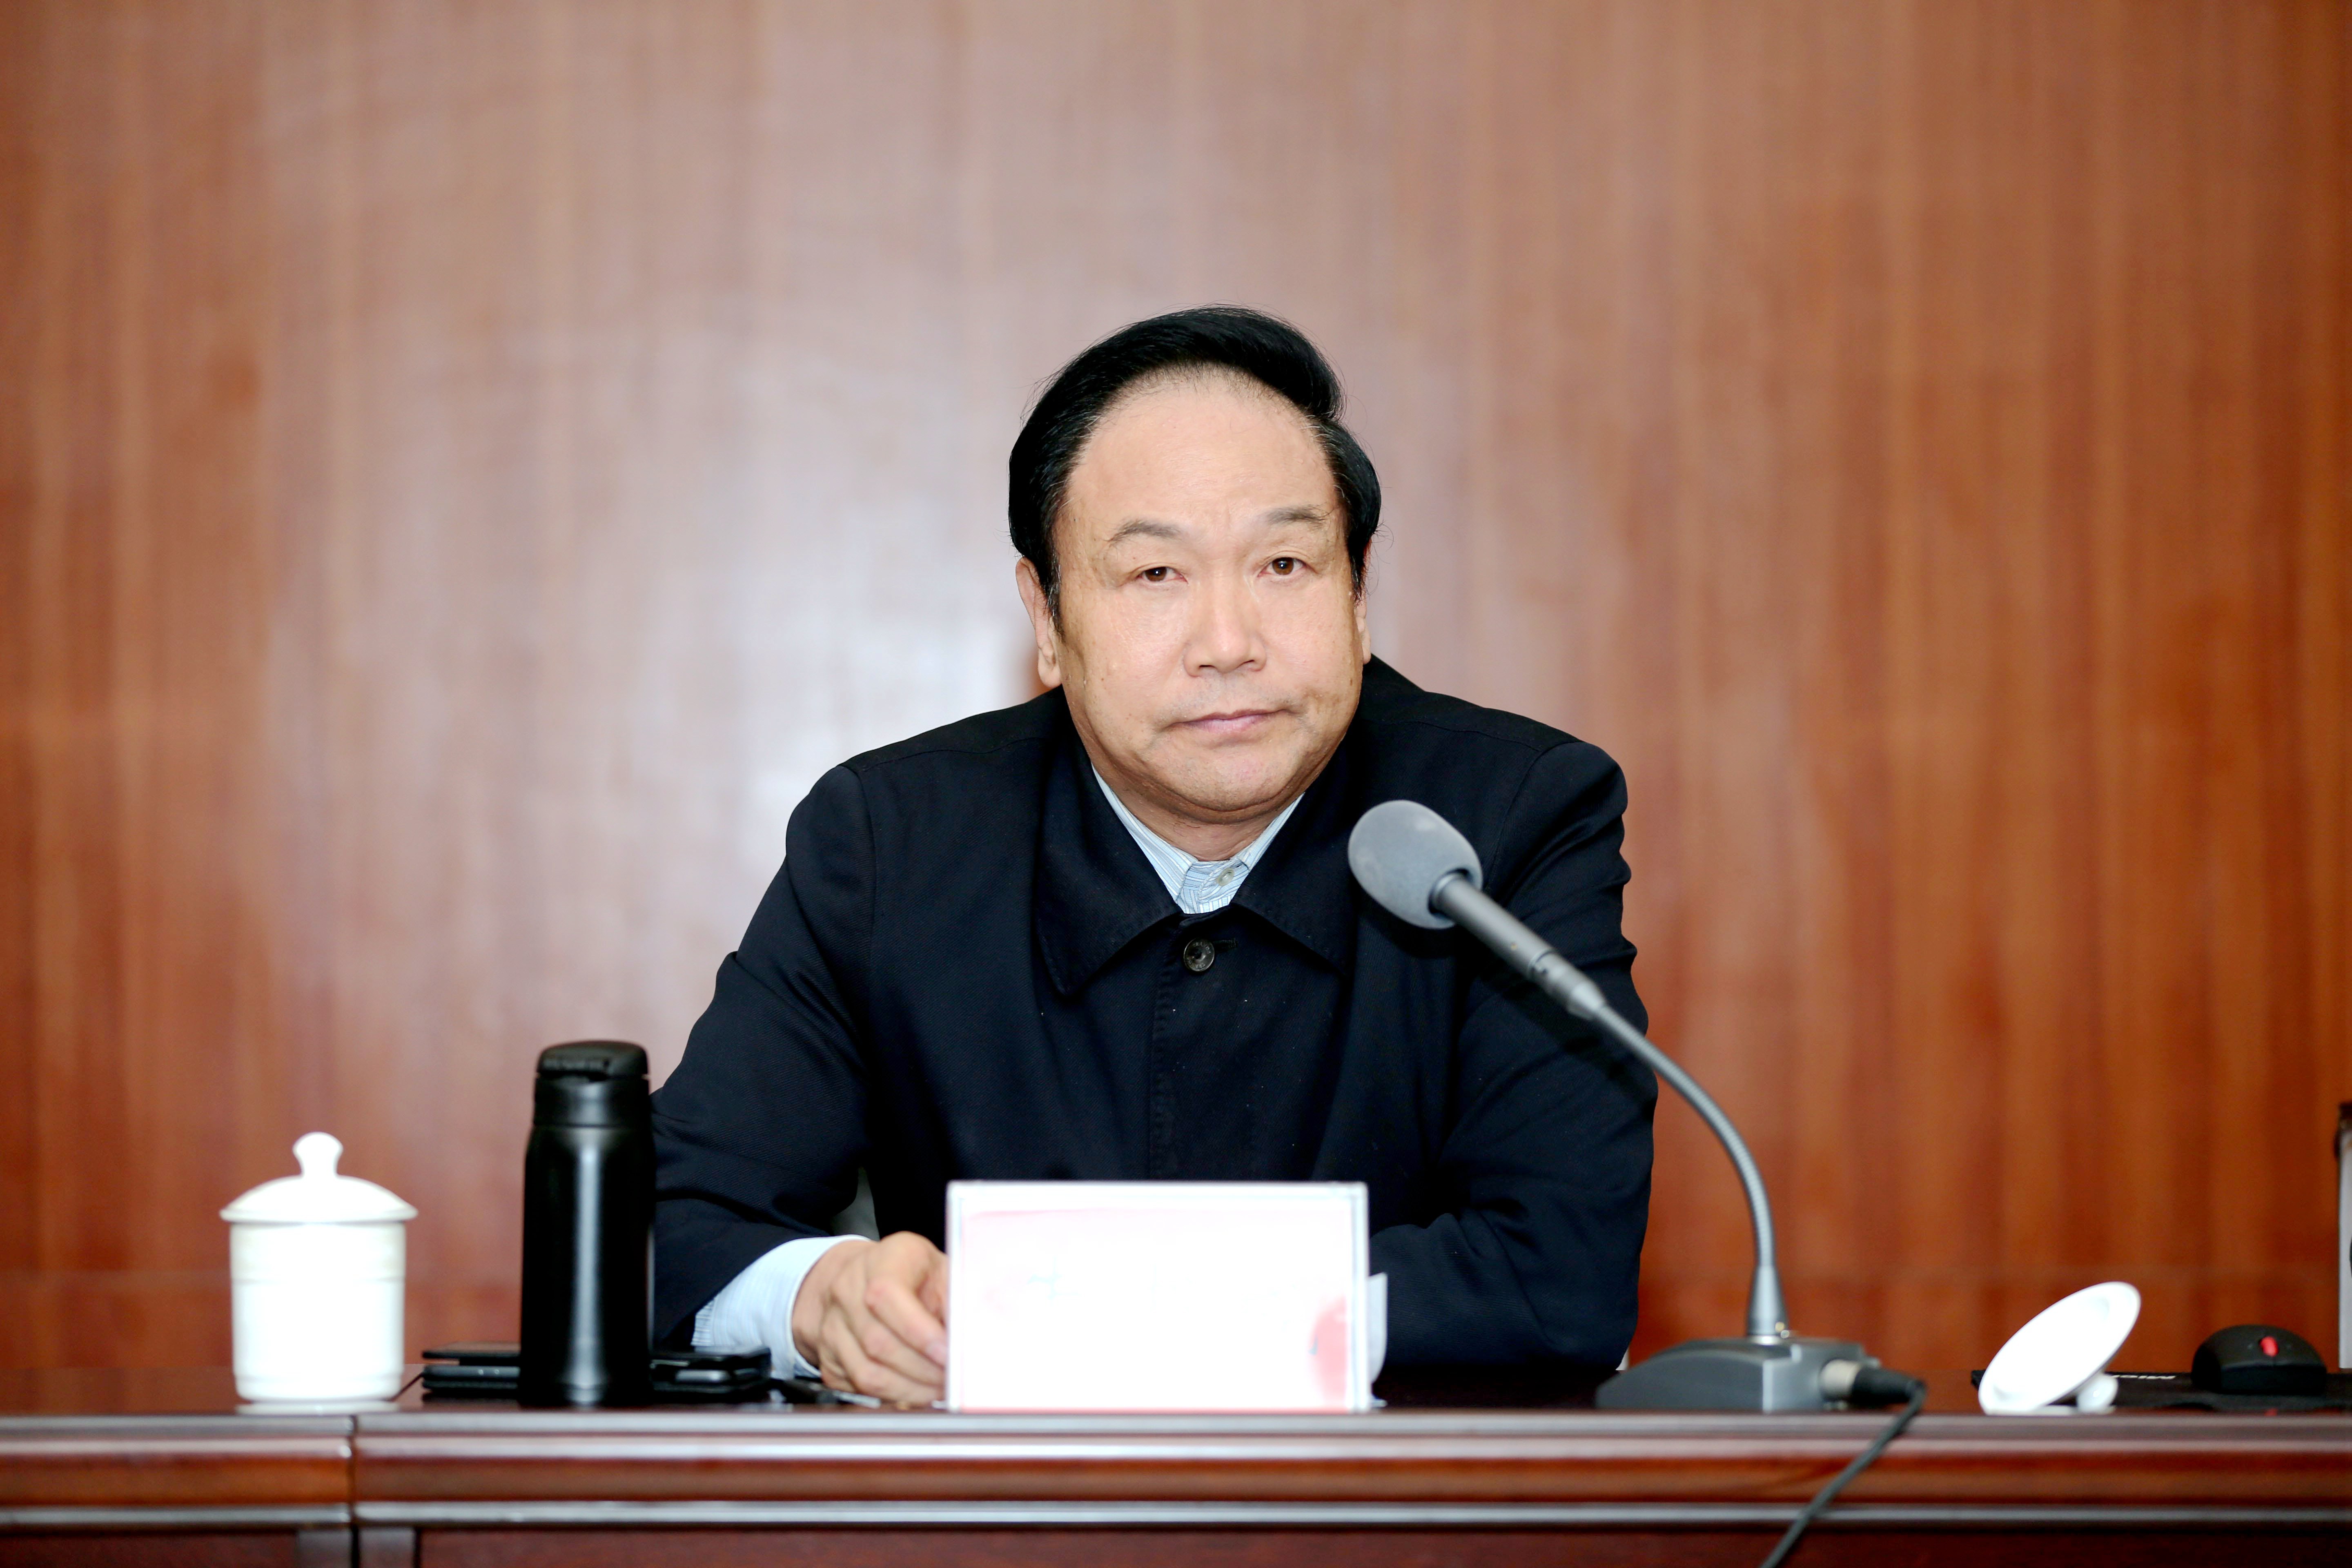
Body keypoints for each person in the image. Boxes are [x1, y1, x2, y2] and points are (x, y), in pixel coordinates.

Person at [653, 306, 1654, 1406]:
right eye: (1155, 575)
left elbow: (1560, 1275)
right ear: (1046, 618)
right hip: (1004, 1506)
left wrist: (1085, 1319)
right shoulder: (894, 841)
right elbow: (664, 1228)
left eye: (1284, 563)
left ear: (1359, 594)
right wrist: (821, 1298)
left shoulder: (1508, 821)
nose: (1229, 643)